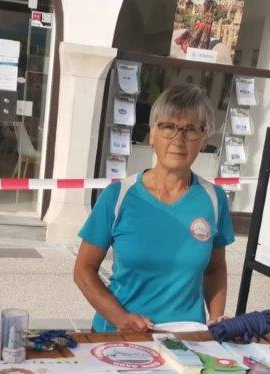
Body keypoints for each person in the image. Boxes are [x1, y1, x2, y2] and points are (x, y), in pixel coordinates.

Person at [74, 84, 234, 333]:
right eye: (168, 127)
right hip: (118, 336)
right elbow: (83, 270)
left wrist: (215, 319)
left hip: (186, 338)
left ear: (204, 139)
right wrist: (120, 318)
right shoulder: (118, 196)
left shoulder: (214, 199)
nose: (178, 140)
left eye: (191, 129)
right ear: (152, 135)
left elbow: (215, 269)